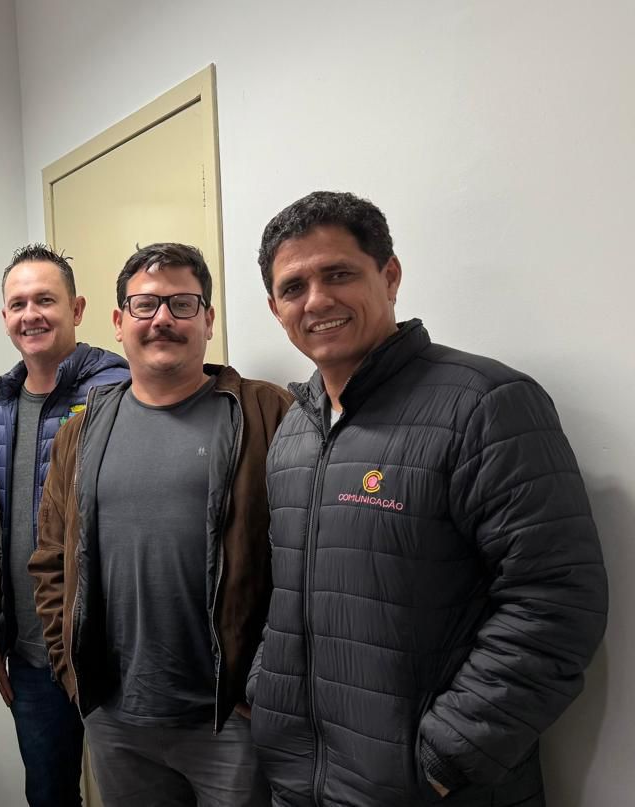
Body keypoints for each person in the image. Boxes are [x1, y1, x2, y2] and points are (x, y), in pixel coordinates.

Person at [249, 191, 608, 806]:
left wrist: (448, 757)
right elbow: (290, 593)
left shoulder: (485, 404)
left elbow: (555, 598)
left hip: (429, 789)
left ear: (389, 276)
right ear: (275, 308)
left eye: (339, 274)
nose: (317, 300)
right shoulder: (294, 431)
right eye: (293, 287)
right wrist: (266, 690)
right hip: (300, 783)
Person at [29, 244, 291, 806]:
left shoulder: (267, 414)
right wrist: (70, 667)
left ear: (208, 320)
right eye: (145, 305)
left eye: (182, 304)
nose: (162, 319)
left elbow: (304, 563)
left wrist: (266, 681)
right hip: (116, 720)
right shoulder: (80, 433)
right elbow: (51, 560)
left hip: (231, 719)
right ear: (119, 321)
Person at [0, 243, 128, 807]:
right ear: (4, 317)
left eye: (45, 300)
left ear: (77, 308)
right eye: (18, 304)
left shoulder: (119, 391)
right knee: (49, 794)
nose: (31, 315)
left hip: (113, 648)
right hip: (31, 654)